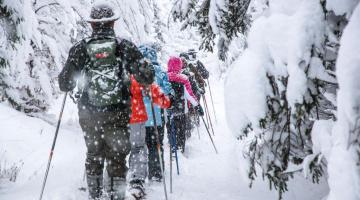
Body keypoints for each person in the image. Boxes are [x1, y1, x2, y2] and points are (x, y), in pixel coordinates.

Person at [58, 2, 154, 199]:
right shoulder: (124, 46)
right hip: (118, 112)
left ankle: (94, 196)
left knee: (94, 154)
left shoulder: (80, 48)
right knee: (117, 157)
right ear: (112, 23)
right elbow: (147, 77)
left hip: (89, 113)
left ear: (92, 24)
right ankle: (116, 196)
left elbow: (64, 82)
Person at [128, 73, 170, 198]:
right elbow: (163, 95)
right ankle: (152, 174)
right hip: (148, 117)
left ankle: (113, 183)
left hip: (117, 117)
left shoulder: (121, 70)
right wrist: (167, 101)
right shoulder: (149, 73)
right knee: (146, 147)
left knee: (114, 150)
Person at [139, 44, 173, 182]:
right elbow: (167, 92)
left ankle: (139, 176)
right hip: (156, 117)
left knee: (139, 147)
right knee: (155, 145)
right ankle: (156, 172)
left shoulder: (134, 72)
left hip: (138, 117)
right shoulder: (160, 72)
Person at [167, 56, 204, 153]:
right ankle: (180, 148)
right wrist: (197, 106)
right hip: (181, 109)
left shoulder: (164, 77)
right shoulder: (183, 79)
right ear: (179, 66)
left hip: (168, 109)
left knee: (171, 129)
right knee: (180, 130)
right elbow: (190, 95)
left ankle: (172, 146)